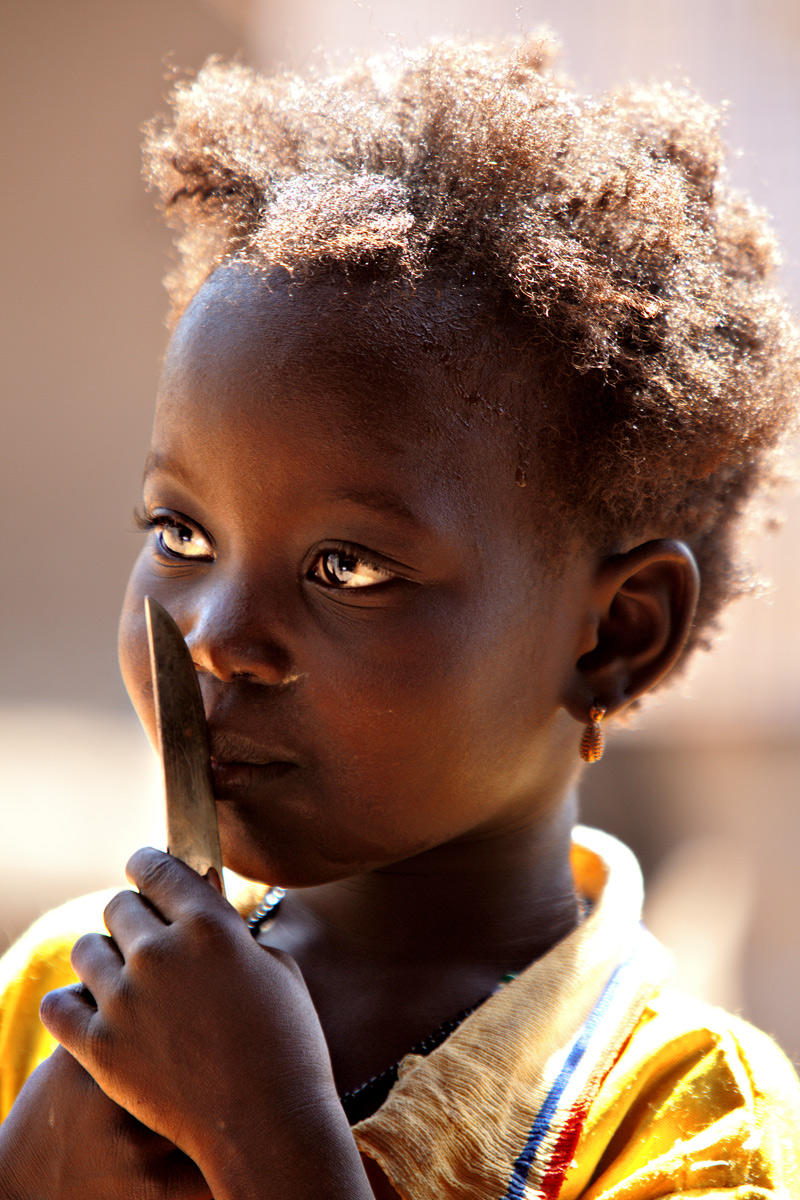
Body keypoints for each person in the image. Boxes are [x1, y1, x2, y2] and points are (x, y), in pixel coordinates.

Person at [1, 35, 799, 1199]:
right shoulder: (63, 999)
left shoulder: (692, 1125)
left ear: (615, 634)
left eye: (347, 567)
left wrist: (268, 1144)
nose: (216, 633)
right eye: (180, 536)